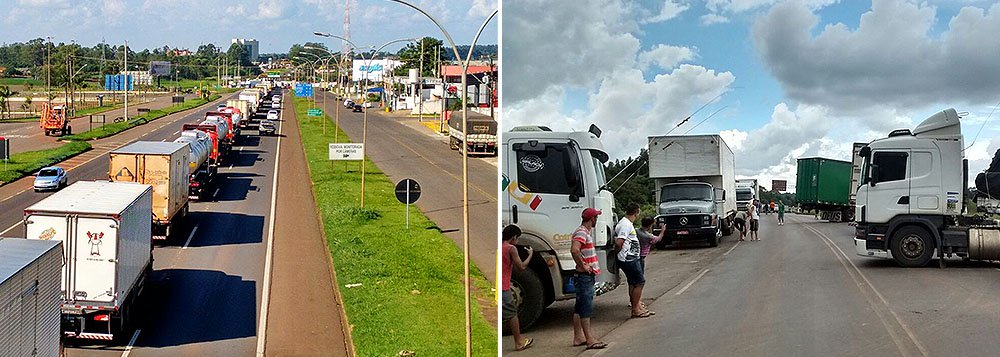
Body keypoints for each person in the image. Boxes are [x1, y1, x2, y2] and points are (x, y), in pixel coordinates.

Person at [571, 208, 607, 350]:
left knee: (579, 306)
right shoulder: (582, 232)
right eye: (596, 217)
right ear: (592, 219)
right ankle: (589, 338)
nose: (596, 220)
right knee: (586, 307)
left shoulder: (583, 232)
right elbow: (574, 250)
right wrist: (584, 266)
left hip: (583, 275)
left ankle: (578, 337)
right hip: (584, 276)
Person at [615, 202, 652, 319]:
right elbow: (619, 242)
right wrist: (619, 254)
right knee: (640, 282)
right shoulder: (625, 225)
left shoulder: (626, 223)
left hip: (631, 257)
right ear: (637, 212)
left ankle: (637, 306)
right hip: (629, 258)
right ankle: (636, 309)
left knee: (633, 283)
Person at [502, 224, 534, 351]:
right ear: (514, 237)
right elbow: (521, 267)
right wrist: (530, 255)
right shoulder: (511, 248)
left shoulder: (500, 246)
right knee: (512, 314)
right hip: (504, 286)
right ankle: (519, 342)